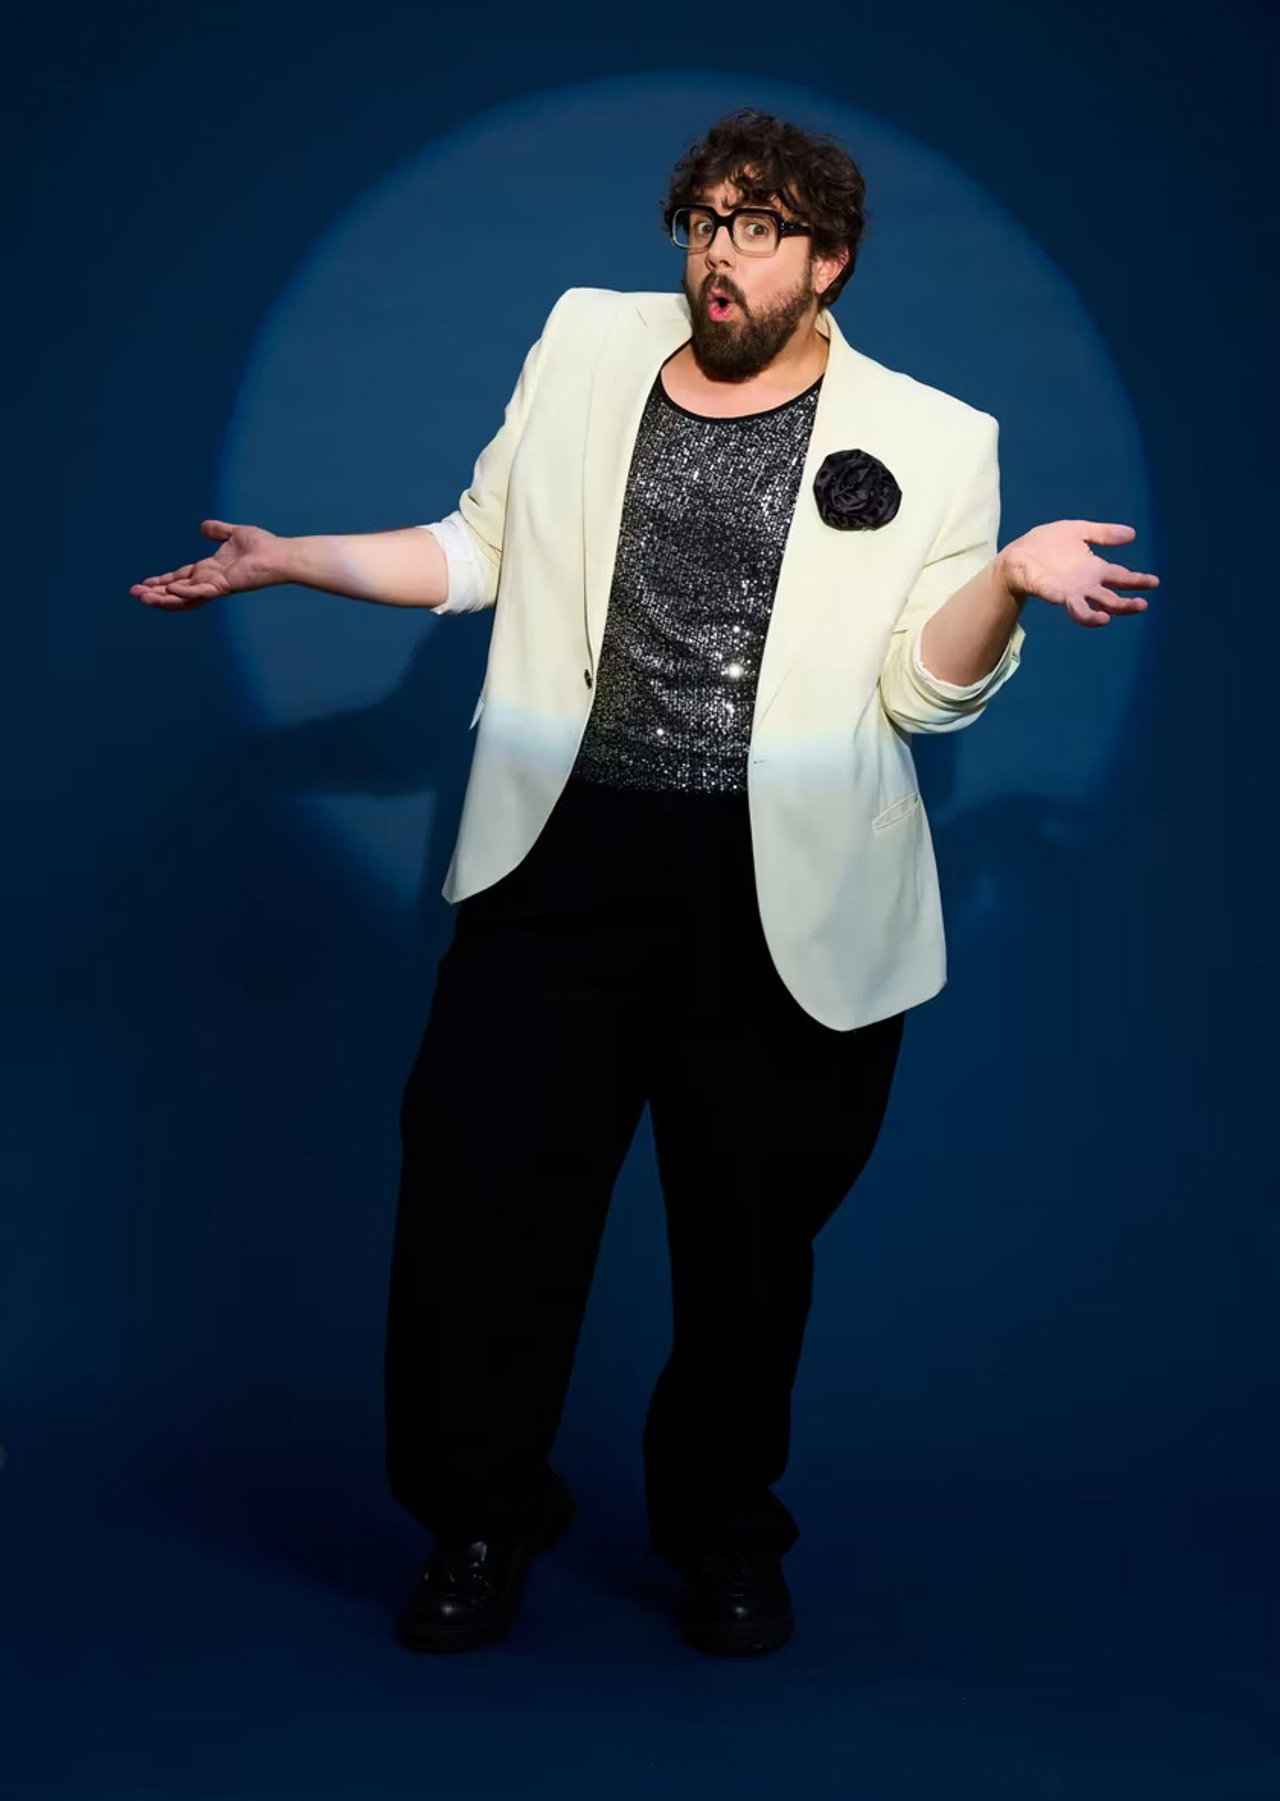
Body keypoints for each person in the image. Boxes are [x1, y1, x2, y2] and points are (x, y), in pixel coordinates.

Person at [129, 108, 1159, 1658]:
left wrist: (1008, 581)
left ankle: (726, 1535)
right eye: (703, 223)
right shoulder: (587, 345)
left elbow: (919, 693)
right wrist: (295, 558)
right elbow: (479, 546)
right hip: (567, 859)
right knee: (481, 1203)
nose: (719, 256)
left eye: (758, 229)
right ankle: (480, 1519)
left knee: (747, 1248)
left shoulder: (936, 437)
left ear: (830, 260)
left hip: (784, 888)